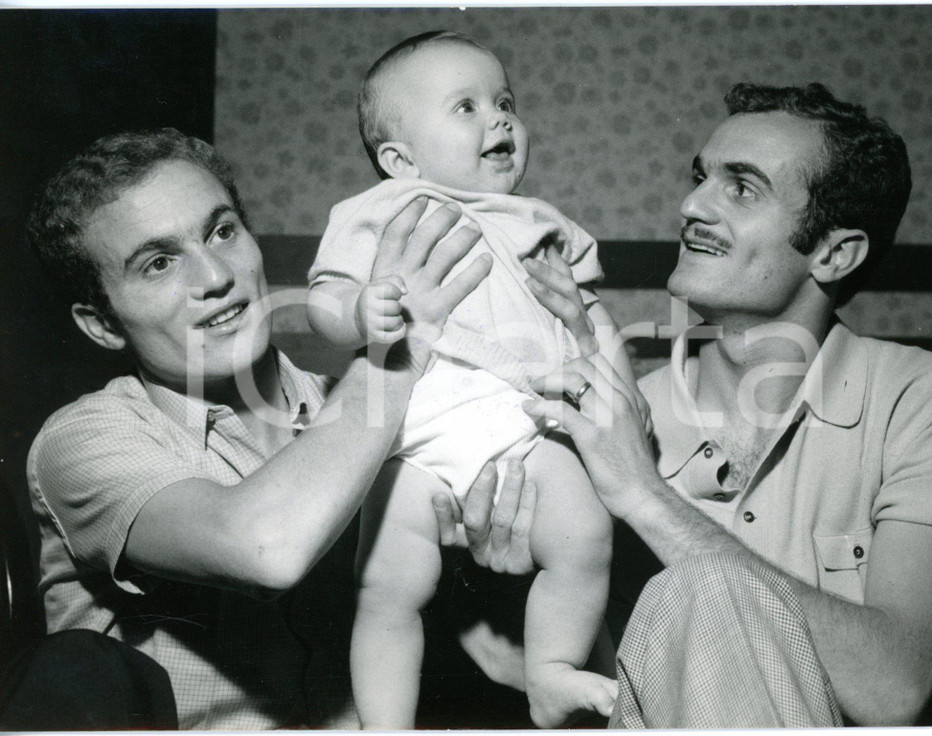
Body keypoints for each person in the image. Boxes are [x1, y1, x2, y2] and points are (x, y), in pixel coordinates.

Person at [14, 127, 542, 729]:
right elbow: (264, 548)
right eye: (159, 263)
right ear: (102, 325)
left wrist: (484, 577)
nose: (215, 275)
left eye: (222, 230)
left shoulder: (354, 412)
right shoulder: (83, 440)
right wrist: (399, 354)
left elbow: (487, 657)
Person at [522, 82, 932, 727]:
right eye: (700, 176)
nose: (690, 205)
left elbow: (892, 690)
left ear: (834, 253)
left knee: (707, 582)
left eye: (741, 187)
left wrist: (642, 493)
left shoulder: (929, 397)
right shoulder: (607, 416)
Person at [306, 31, 630, 728]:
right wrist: (359, 309)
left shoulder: (544, 223)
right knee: (386, 588)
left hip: (522, 419)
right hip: (413, 427)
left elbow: (589, 323)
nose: (500, 118)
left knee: (585, 538)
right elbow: (324, 297)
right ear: (400, 159)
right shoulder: (380, 211)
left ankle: (549, 672)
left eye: (505, 101)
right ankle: (383, 723)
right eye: (467, 107)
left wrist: (580, 345)